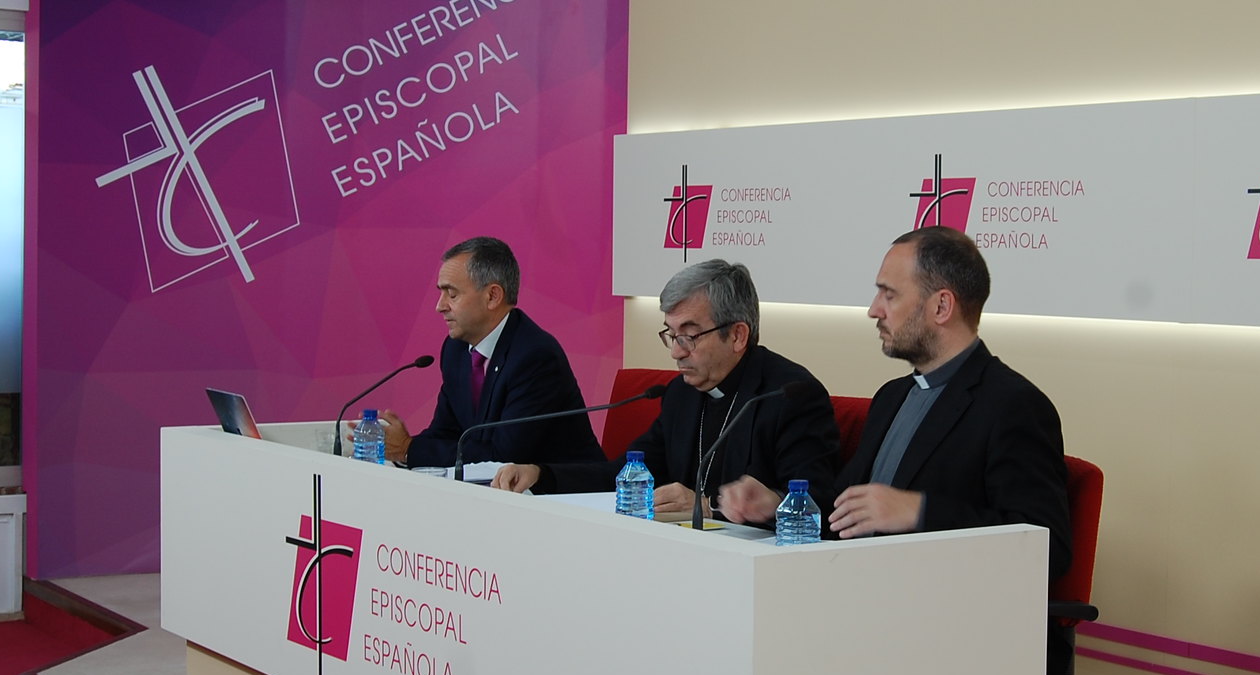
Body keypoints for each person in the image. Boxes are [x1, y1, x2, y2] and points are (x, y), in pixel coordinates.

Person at [494, 259, 840, 524]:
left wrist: (711, 507)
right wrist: (541, 474)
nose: (676, 352)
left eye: (689, 336)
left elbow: (819, 506)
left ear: (737, 335)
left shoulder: (790, 395)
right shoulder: (682, 393)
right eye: (671, 335)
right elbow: (627, 473)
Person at [829, 226, 1071, 580]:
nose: (873, 310)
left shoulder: (1014, 405)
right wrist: (778, 506)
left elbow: (1048, 549)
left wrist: (920, 512)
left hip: (940, 601)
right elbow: (845, 509)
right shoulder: (891, 397)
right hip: (854, 584)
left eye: (889, 295)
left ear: (941, 306)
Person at [378, 236, 603, 470]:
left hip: (563, 489)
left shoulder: (535, 356)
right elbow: (445, 433)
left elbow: (504, 456)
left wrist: (409, 449)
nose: (440, 306)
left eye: (452, 294)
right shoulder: (456, 350)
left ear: (492, 296)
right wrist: (403, 449)